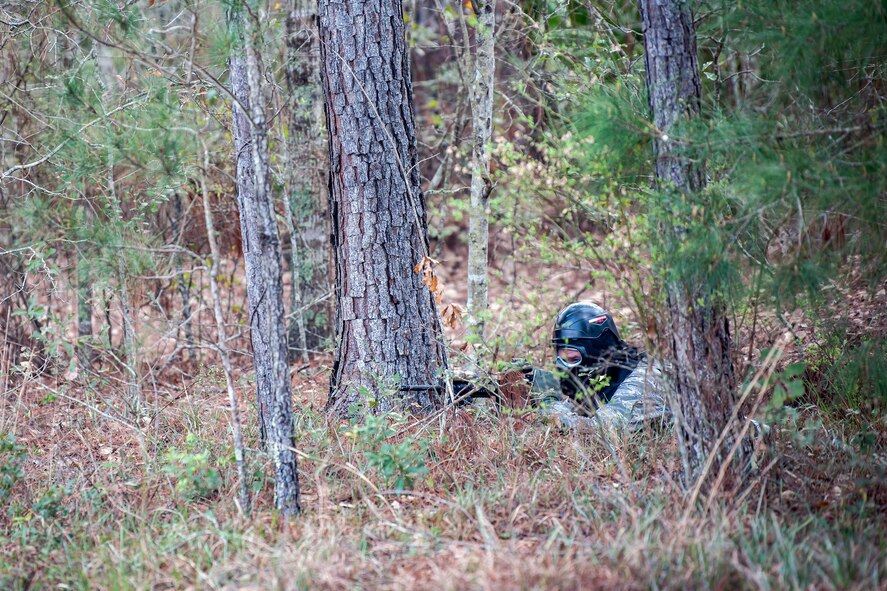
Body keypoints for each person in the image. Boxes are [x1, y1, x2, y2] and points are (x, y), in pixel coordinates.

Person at [530, 302, 670, 434]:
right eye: (559, 358)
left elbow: (597, 433)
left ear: (599, 356)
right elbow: (582, 410)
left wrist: (548, 403)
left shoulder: (642, 381)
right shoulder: (605, 375)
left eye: (573, 359)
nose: (561, 367)